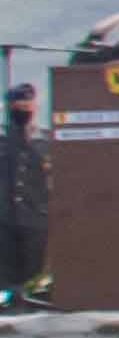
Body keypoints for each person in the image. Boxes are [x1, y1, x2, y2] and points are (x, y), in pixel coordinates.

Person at [0, 81, 43, 305]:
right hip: (4, 220)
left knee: (34, 276)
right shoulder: (3, 141)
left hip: (36, 221)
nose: (23, 111)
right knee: (6, 276)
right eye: (18, 107)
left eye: (26, 107)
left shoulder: (44, 141)